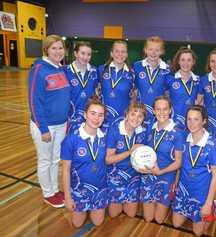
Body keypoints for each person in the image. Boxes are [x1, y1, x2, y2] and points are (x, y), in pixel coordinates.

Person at [28, 34, 70, 208]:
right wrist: (43, 128)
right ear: (46, 50)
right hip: (44, 126)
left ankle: (54, 189)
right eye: (54, 48)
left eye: (60, 48)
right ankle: (47, 193)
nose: (58, 51)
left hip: (61, 125)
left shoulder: (60, 68)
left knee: (55, 160)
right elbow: (33, 100)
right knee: (45, 160)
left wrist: (66, 123)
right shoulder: (39, 69)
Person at [172, 105, 216, 236]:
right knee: (176, 224)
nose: (191, 123)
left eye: (196, 119)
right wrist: (176, 182)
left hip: (201, 192)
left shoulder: (212, 144)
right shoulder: (184, 138)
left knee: (198, 232)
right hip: (184, 188)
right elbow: (181, 164)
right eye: (189, 119)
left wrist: (208, 203)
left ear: (204, 121)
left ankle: (213, 207)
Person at [61, 97, 107, 227]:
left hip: (99, 189)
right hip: (79, 190)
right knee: (77, 224)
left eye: (100, 115)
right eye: (93, 113)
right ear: (85, 114)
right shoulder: (71, 139)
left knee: (98, 223)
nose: (96, 118)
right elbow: (65, 170)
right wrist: (68, 197)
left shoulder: (106, 137)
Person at [139, 95, 183, 223]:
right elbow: (144, 152)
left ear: (170, 110)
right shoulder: (149, 128)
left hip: (166, 176)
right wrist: (141, 167)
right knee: (148, 218)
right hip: (148, 174)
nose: (161, 112)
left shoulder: (178, 132)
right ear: (153, 111)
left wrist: (161, 172)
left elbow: (179, 161)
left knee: (159, 220)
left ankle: (170, 201)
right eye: (158, 109)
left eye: (165, 109)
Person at [105, 102, 147, 218]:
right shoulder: (114, 130)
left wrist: (145, 167)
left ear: (143, 119)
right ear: (126, 114)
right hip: (116, 176)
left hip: (133, 177)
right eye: (133, 114)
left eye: (140, 116)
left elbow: (146, 156)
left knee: (131, 214)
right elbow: (108, 160)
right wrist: (130, 151)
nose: (136, 118)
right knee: (114, 214)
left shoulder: (143, 132)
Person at [132, 36, 170, 125]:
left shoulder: (167, 70)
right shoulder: (137, 66)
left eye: (157, 50)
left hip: (159, 116)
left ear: (162, 51)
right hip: (139, 115)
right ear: (145, 50)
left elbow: (168, 95)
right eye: (150, 49)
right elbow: (133, 91)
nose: (153, 53)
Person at [64, 41, 99, 133]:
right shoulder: (65, 71)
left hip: (88, 118)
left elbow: (95, 92)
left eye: (89, 54)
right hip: (69, 118)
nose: (85, 57)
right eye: (82, 53)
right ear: (75, 53)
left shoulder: (94, 71)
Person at [98, 40, 134, 128]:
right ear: (111, 53)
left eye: (123, 52)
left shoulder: (132, 73)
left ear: (126, 54)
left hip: (123, 119)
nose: (120, 54)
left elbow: (135, 96)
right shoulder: (101, 70)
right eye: (117, 51)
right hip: (103, 119)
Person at [166, 47, 200, 130]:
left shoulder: (199, 80)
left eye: (189, 60)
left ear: (193, 62)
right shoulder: (169, 79)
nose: (186, 63)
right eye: (183, 60)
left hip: (192, 124)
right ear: (178, 61)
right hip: (173, 124)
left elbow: (200, 103)